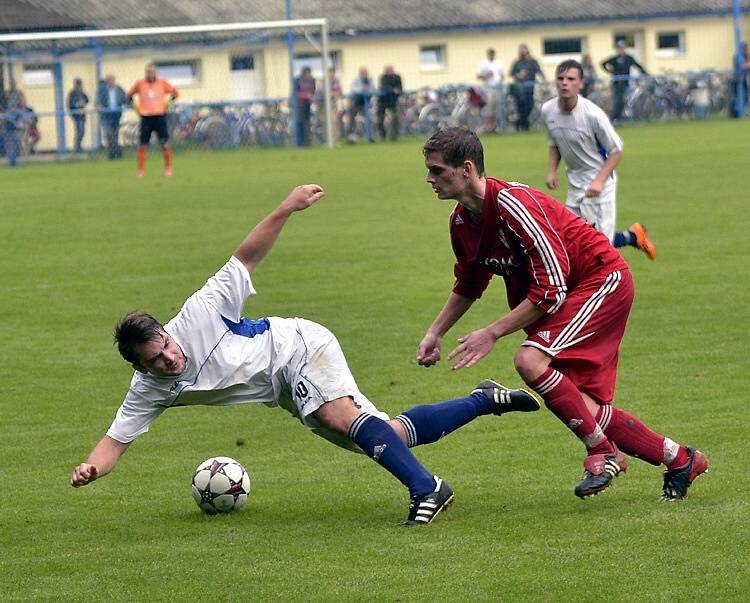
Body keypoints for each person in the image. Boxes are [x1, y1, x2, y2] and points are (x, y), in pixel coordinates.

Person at [69, 183, 540, 525]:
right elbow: (115, 441)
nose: (169, 359)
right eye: (155, 360)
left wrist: (285, 208)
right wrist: (91, 467)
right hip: (286, 389)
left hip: (297, 347)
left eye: (166, 346)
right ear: (139, 366)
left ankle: (428, 489)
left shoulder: (199, 312)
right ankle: (484, 399)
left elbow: (246, 257)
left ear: (167, 332)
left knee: (341, 418)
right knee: (384, 437)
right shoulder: (147, 390)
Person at [417, 126, 708, 501]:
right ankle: (682, 459)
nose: (430, 178)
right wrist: (435, 332)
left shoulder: (513, 205)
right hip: (565, 295)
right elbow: (470, 281)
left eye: (438, 170)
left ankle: (604, 452)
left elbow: (550, 289)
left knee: (528, 359)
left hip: (602, 280)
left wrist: (492, 332)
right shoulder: (461, 222)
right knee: (583, 406)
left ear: (467, 168)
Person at [540, 59, 656, 259]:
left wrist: (599, 181)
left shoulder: (593, 115)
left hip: (600, 184)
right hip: (575, 183)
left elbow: (616, 151)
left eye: (571, 79)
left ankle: (631, 241)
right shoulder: (548, 110)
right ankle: (632, 236)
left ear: (581, 84)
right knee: (570, 238)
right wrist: (552, 171)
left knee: (600, 246)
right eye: (560, 78)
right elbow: (555, 142)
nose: (565, 83)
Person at [127, 63, 179, 178]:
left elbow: (175, 93)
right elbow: (129, 95)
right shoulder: (140, 83)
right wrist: (137, 108)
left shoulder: (162, 82)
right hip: (146, 117)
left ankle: (168, 168)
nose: (150, 74)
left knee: (164, 143)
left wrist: (166, 104)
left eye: (152, 72)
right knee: (142, 145)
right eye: (148, 72)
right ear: (146, 73)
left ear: (155, 73)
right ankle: (140, 171)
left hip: (159, 116)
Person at [601, 40, 648, 123]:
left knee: (625, 101)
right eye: (619, 48)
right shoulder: (614, 59)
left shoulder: (629, 58)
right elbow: (603, 63)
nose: (621, 50)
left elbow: (638, 65)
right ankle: (615, 118)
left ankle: (621, 118)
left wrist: (646, 73)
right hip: (617, 84)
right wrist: (611, 72)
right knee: (617, 101)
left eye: (622, 48)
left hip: (626, 83)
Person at [509, 44, 544, 132]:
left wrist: (544, 81)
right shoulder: (517, 62)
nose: (523, 51)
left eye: (524, 49)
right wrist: (518, 75)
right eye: (521, 50)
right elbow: (511, 73)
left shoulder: (533, 62)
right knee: (521, 108)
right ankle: (524, 125)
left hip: (530, 90)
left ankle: (520, 124)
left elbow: (539, 71)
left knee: (529, 106)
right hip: (519, 92)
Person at [96, 74, 128, 159]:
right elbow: (98, 101)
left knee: (115, 134)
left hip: (116, 116)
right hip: (106, 116)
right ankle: (113, 153)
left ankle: (115, 153)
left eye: (112, 80)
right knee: (109, 134)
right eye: (109, 80)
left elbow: (125, 99)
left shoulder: (119, 89)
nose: (111, 82)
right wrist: (99, 106)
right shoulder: (102, 90)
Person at [476, 48, 504, 133]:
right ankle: (487, 127)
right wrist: (487, 75)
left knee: (496, 108)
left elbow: (502, 75)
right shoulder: (483, 64)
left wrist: (500, 81)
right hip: (488, 89)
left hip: (497, 88)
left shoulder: (499, 63)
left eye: (492, 53)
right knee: (488, 109)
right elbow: (478, 76)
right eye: (490, 54)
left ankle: (494, 127)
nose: (491, 55)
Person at [347, 67, 374, 143]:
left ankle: (370, 137)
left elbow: (372, 88)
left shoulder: (370, 80)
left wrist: (367, 90)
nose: (365, 74)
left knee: (369, 119)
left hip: (365, 103)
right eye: (363, 72)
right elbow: (355, 90)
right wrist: (364, 89)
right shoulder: (356, 80)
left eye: (366, 72)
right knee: (351, 120)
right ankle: (351, 137)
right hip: (355, 103)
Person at [376, 65, 403, 141]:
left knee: (396, 118)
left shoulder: (397, 77)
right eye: (388, 70)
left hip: (393, 101)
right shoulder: (383, 78)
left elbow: (400, 88)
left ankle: (394, 136)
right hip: (382, 101)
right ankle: (382, 135)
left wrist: (396, 91)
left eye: (391, 70)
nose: (390, 71)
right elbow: (383, 87)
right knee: (380, 119)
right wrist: (393, 90)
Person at [293, 66, 316, 146]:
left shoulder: (312, 80)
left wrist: (310, 96)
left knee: (307, 123)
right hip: (299, 105)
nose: (309, 75)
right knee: (299, 122)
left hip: (307, 104)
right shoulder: (297, 80)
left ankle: (307, 142)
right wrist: (306, 95)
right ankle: (299, 142)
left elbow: (313, 91)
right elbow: (295, 93)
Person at [67, 78, 89, 153]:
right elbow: (70, 104)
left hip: (82, 115)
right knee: (79, 131)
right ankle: (77, 147)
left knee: (82, 131)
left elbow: (87, 100)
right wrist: (76, 105)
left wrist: (83, 103)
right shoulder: (72, 93)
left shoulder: (82, 93)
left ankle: (78, 146)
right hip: (76, 115)